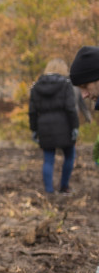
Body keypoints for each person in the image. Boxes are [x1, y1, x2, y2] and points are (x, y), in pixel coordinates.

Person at [29, 59, 79, 194]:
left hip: (44, 126)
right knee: (69, 156)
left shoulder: (36, 86)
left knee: (48, 159)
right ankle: (64, 187)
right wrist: (75, 126)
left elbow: (32, 111)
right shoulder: (66, 84)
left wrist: (34, 129)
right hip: (64, 126)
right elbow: (70, 108)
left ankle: (49, 191)